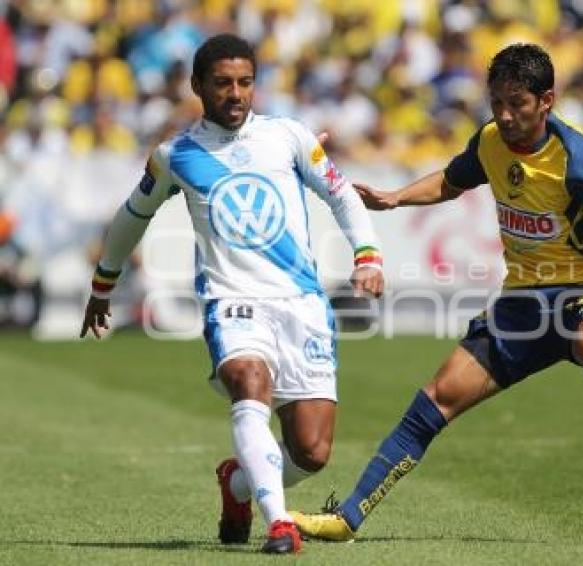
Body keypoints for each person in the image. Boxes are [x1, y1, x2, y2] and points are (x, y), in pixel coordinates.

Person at [292, 43, 583, 542]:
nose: (505, 114)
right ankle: (348, 518)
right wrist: (395, 198)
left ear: (547, 100)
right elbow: (452, 182)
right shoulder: (492, 140)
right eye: (496, 101)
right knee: (438, 397)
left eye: (517, 103)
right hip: (521, 301)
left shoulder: (581, 158)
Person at [79, 34, 385, 555]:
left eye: (245, 82)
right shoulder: (176, 155)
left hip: (301, 304)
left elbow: (340, 194)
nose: (236, 93)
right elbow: (134, 215)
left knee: (311, 452)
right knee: (250, 379)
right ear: (198, 86)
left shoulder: (289, 136)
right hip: (232, 300)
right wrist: (103, 282)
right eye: (223, 84)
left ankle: (238, 483)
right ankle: (279, 525)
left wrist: (368, 255)